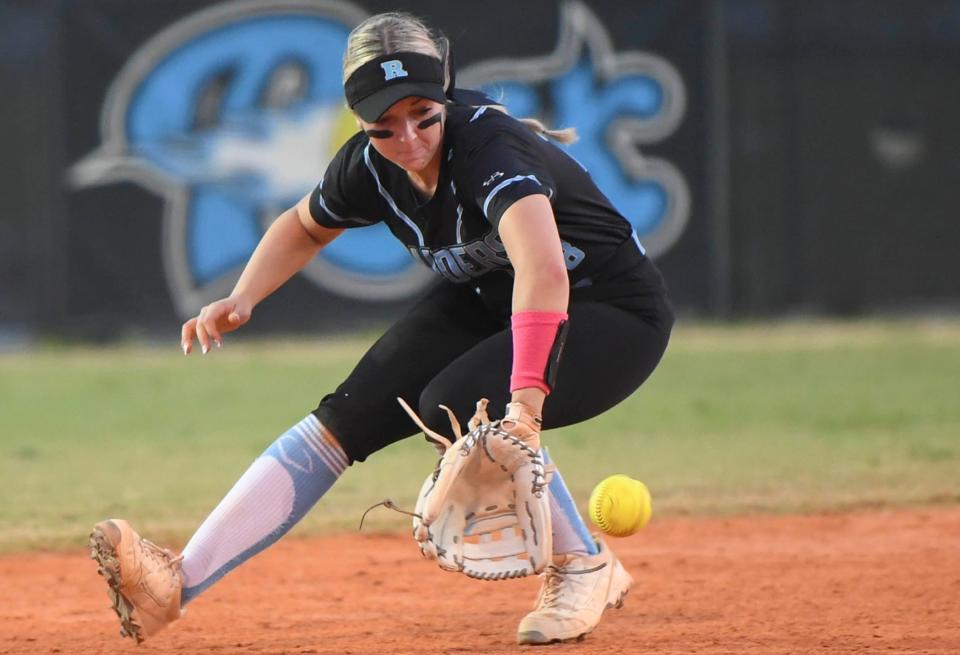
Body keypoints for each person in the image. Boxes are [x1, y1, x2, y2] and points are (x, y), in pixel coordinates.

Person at [89, 11, 674, 646]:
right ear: (359, 120)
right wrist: (242, 297)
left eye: (424, 114)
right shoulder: (367, 166)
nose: (410, 138)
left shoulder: (490, 148)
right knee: (350, 415)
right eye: (384, 127)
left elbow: (542, 270)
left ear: (445, 94)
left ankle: (581, 562)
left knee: (457, 403)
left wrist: (525, 408)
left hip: (608, 309)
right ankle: (174, 583)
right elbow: (305, 226)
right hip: (489, 297)